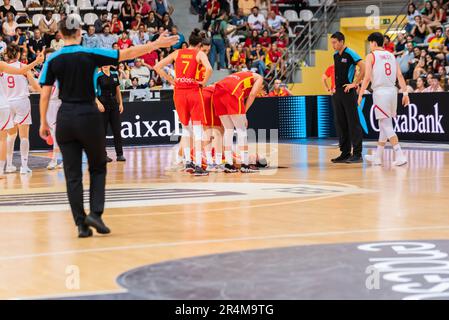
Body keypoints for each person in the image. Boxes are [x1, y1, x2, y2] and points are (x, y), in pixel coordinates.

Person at [38, 15, 179, 238]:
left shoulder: (52, 59)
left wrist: (44, 122)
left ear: (61, 34)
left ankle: (81, 225)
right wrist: (155, 44)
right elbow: (126, 54)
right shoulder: (90, 54)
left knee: (72, 174)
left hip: (65, 117)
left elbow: (44, 95)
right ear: (79, 33)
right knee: (97, 167)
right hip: (88, 115)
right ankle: (95, 212)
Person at [154, 28, 213, 176]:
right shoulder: (199, 54)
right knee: (198, 130)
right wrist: (203, 82)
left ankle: (188, 163)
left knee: (186, 129)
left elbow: (157, 66)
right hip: (193, 92)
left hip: (179, 93)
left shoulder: (177, 53)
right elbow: (209, 69)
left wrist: (171, 81)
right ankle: (199, 165)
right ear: (199, 44)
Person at [358, 33, 409, 167]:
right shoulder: (392, 55)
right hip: (393, 91)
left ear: (374, 43)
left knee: (386, 125)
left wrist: (360, 94)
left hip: (381, 92)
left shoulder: (371, 56)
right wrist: (405, 93)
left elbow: (367, 77)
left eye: (370, 43)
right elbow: (399, 75)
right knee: (383, 126)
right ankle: (378, 157)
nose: (370, 46)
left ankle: (399, 154)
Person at [0, 52, 44, 179]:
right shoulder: (9, 66)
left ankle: (8, 165)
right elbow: (34, 85)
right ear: (18, 54)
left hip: (8, 101)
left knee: (10, 135)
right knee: (22, 136)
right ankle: (23, 167)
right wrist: (36, 62)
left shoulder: (4, 67)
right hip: (18, 102)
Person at [212, 71, 264, 173]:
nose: (260, 94)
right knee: (241, 130)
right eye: (262, 93)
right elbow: (253, 94)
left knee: (228, 129)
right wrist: (244, 113)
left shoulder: (243, 75)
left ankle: (229, 164)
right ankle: (245, 165)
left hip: (217, 91)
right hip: (231, 90)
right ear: (262, 87)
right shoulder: (259, 78)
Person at [330, 31, 365, 164]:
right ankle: (345, 153)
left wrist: (355, 83)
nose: (333, 45)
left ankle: (357, 154)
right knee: (341, 123)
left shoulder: (350, 53)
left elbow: (364, 67)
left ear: (341, 42)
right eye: (332, 42)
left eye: (334, 42)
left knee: (353, 122)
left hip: (348, 92)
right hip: (338, 92)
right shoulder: (335, 55)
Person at [95, 65, 125, 162]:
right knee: (102, 132)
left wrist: (121, 103)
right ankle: (103, 155)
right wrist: (98, 104)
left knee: (117, 130)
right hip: (103, 105)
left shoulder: (115, 74)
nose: (105, 64)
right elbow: (92, 92)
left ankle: (120, 154)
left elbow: (118, 90)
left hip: (114, 105)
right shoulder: (97, 76)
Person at [43, 48, 63, 170]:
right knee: (53, 132)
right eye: (47, 57)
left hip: (58, 103)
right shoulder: (45, 71)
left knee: (57, 133)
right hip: (49, 103)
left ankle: (55, 159)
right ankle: (58, 159)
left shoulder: (60, 71)